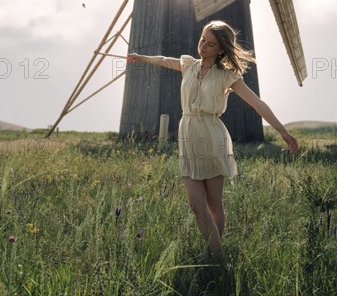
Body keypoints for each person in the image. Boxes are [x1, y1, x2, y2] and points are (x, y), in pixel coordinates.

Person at [126, 20, 298, 264]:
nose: (203, 46)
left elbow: (257, 104)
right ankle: (218, 256)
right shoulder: (189, 65)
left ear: (221, 49)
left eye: (210, 43)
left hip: (212, 135)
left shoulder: (227, 77)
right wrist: (140, 57)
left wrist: (283, 132)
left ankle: (216, 260)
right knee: (197, 206)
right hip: (187, 134)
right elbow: (164, 60)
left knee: (214, 204)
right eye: (202, 40)